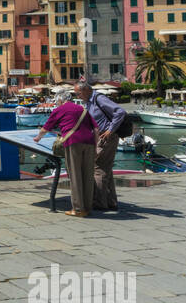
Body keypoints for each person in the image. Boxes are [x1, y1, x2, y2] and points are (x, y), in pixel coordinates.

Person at [33, 86, 96, 217]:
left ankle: (78, 209)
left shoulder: (60, 109)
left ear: (61, 100)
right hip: (89, 143)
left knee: (75, 176)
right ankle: (88, 207)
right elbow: (96, 129)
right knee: (88, 175)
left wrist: (38, 138)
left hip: (73, 142)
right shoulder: (83, 109)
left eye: (57, 101)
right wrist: (95, 146)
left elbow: (46, 128)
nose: (56, 104)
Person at [75, 79, 126, 212]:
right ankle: (111, 201)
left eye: (78, 93)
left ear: (86, 90)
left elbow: (119, 111)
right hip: (102, 136)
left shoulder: (99, 98)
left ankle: (99, 202)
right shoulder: (89, 102)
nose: (77, 97)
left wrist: (111, 130)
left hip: (106, 136)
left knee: (98, 168)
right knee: (105, 168)